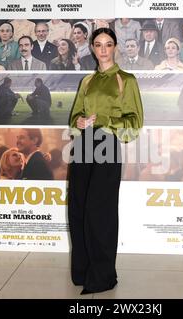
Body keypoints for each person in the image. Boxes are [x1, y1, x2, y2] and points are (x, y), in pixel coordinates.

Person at [68, 28, 143, 295]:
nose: (103, 49)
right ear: (91, 48)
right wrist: (78, 121)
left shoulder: (126, 80)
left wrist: (105, 122)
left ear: (115, 48)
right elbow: (75, 115)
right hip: (82, 146)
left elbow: (135, 123)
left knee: (100, 212)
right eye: (98, 44)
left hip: (108, 145)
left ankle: (102, 276)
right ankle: (82, 271)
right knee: (77, 209)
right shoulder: (87, 81)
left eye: (108, 44)